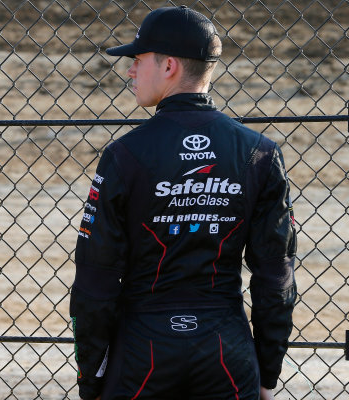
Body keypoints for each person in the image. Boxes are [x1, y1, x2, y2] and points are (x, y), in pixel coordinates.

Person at [70, 6, 297, 400]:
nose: (130, 71)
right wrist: (266, 372)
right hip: (227, 350)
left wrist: (91, 377)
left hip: (143, 349)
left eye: (138, 60)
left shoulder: (124, 155)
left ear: (169, 65)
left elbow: (95, 280)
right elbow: (275, 277)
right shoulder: (259, 153)